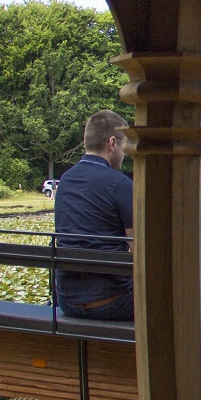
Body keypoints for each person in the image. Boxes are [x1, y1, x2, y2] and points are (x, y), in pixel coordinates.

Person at [53, 110, 135, 320]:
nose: (125, 152)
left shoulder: (65, 181)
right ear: (112, 143)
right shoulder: (120, 184)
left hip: (67, 301)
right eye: (124, 144)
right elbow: (140, 250)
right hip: (114, 301)